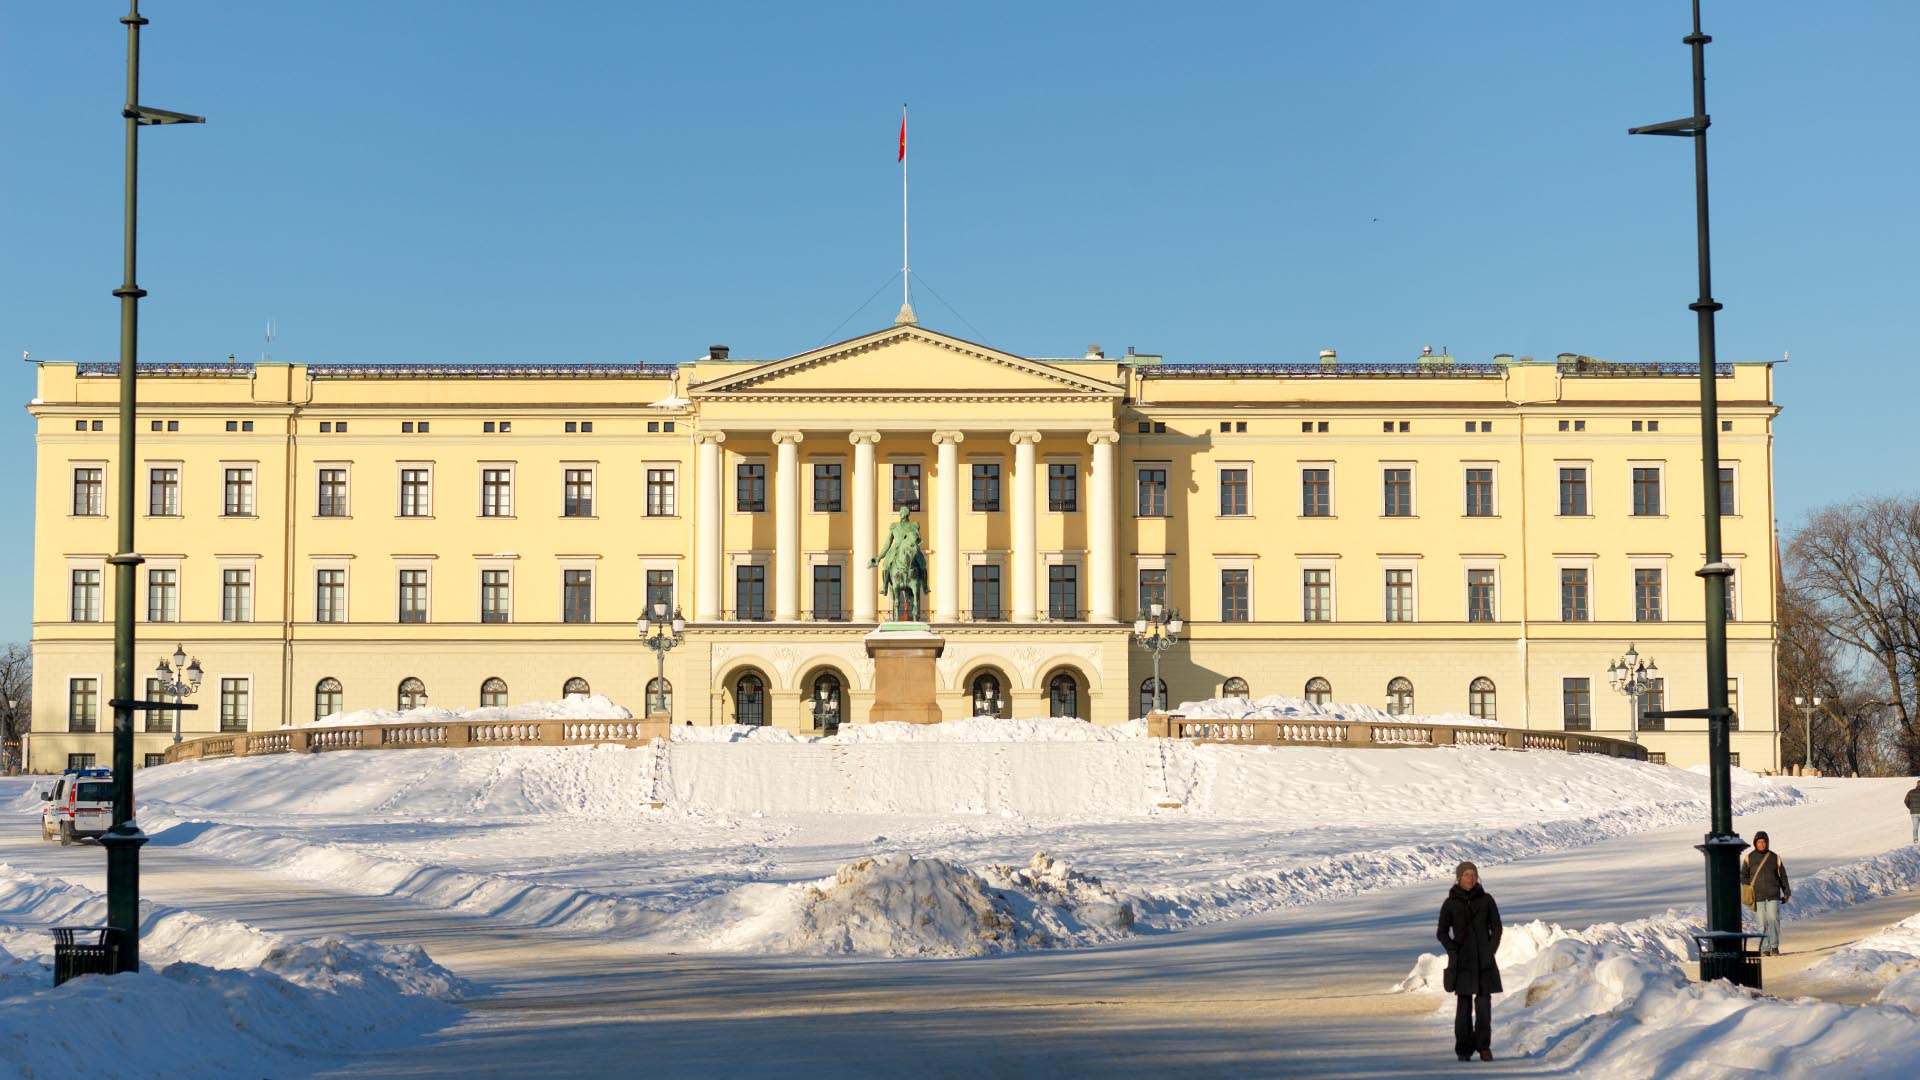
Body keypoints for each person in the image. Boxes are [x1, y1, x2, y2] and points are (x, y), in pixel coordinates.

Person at [1436, 860, 1502, 1062]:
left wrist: (1490, 950)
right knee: (1463, 1008)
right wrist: (1453, 950)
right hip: (1462, 962)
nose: (1470, 878)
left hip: (1484, 962)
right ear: (1459, 878)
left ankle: (1483, 1047)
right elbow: (1442, 932)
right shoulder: (1450, 903)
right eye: (1466, 875)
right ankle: (1463, 1049)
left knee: (1484, 1008)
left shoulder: (1487, 900)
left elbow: (1497, 927)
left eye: (1473, 875)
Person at [1741, 831, 1791, 956]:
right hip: (1757, 896)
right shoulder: (1749, 858)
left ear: (1767, 843)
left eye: (1764, 842)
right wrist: (1750, 886)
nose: (1762, 844)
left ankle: (1774, 947)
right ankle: (1765, 948)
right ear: (1755, 843)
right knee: (1762, 923)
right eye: (1759, 842)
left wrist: (1786, 891)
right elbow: (1743, 875)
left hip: (1773, 893)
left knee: (1773, 919)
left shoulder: (1775, 857)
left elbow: (1783, 876)